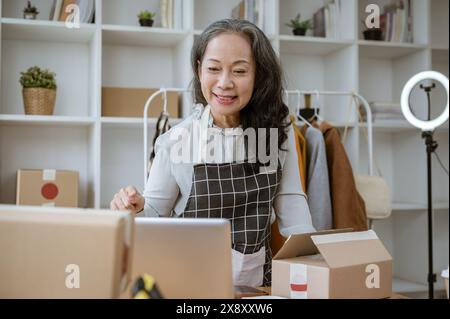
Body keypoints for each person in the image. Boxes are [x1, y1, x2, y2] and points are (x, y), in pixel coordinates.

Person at [110, 19, 315, 287]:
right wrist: (134, 208)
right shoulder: (177, 141)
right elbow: (154, 217)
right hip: (188, 286)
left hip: (257, 290)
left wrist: (318, 277)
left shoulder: (276, 138)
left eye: (240, 71)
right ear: (199, 70)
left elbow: (297, 226)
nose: (224, 82)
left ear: (259, 75)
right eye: (214, 69)